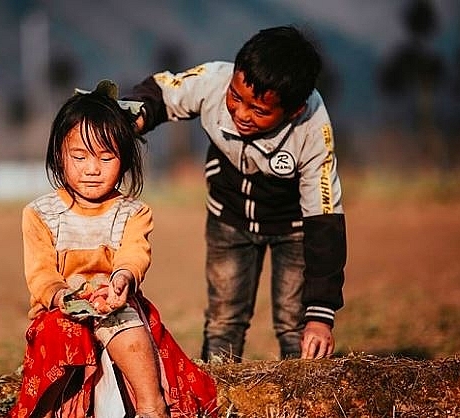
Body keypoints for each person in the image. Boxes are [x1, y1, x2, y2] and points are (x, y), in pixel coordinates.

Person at [125, 25, 346, 361]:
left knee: (295, 326)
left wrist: (320, 315)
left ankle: (303, 400)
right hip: (228, 218)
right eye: (236, 97)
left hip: (295, 228)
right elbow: (163, 93)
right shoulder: (214, 79)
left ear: (294, 111)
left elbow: (324, 218)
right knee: (224, 321)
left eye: (259, 111)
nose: (241, 114)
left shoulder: (313, 129)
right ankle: (216, 400)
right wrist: (133, 118)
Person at [10, 81, 217, 418]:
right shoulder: (39, 214)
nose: (92, 169)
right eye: (80, 156)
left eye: (106, 158)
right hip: (59, 307)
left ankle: (152, 405)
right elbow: (41, 273)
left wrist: (121, 280)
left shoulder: (134, 212)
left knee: (125, 324)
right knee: (59, 333)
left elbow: (134, 255)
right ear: (59, 156)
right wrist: (63, 296)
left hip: (115, 301)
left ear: (124, 160)